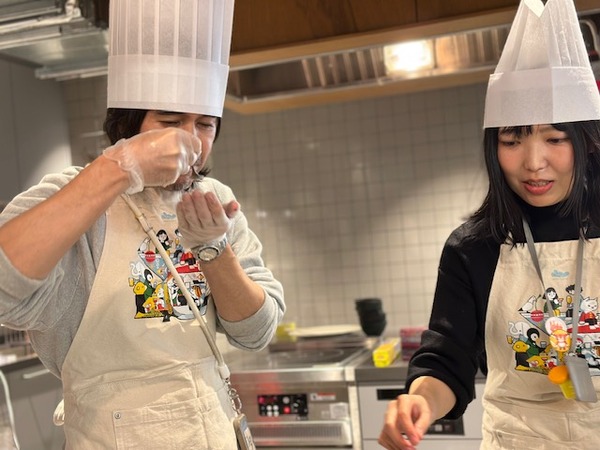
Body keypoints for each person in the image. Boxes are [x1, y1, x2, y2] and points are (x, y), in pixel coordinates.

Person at [0, 0, 285, 448]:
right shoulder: (71, 195)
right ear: (130, 126)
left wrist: (214, 249)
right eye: (170, 122)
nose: (190, 143)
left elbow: (257, 332)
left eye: (205, 125)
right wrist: (121, 167)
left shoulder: (215, 200)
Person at [378, 0, 600, 449]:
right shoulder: (472, 247)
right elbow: (447, 359)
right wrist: (420, 400)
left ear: (588, 140)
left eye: (555, 138)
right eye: (512, 140)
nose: (533, 162)